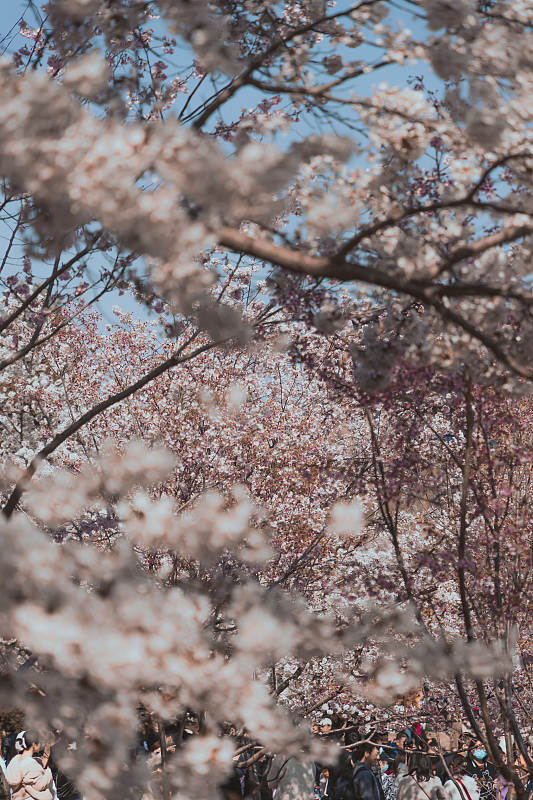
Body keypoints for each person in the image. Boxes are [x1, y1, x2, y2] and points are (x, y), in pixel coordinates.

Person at [5, 731, 55, 800]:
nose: (40, 744)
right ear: (34, 744)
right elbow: (40, 786)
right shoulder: (31, 764)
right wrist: (49, 772)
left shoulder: (15, 759)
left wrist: (46, 756)